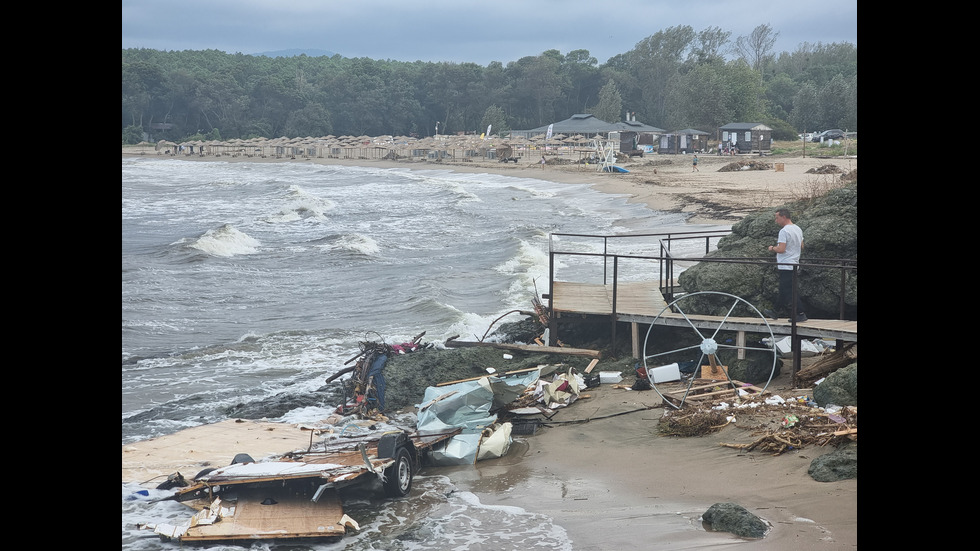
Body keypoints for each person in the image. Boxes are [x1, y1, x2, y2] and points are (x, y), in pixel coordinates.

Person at [766, 208, 807, 322]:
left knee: (789, 291)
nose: (776, 220)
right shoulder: (798, 229)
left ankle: (800, 313)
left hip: (786, 264)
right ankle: (775, 311)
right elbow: (801, 246)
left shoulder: (784, 231)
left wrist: (772, 248)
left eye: (777, 218)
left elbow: (781, 249)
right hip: (794, 263)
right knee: (784, 289)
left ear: (784, 217)